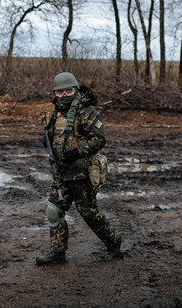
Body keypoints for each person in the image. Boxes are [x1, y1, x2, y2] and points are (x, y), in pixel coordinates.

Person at [36, 72, 122, 266]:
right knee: (53, 210)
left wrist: (78, 152)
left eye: (68, 91)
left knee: (89, 213)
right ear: (55, 93)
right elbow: (56, 135)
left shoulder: (87, 111)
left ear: (75, 90)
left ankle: (113, 242)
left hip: (83, 171)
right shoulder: (56, 111)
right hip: (62, 171)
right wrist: (47, 139)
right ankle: (58, 253)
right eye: (60, 92)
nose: (64, 95)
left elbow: (99, 139)